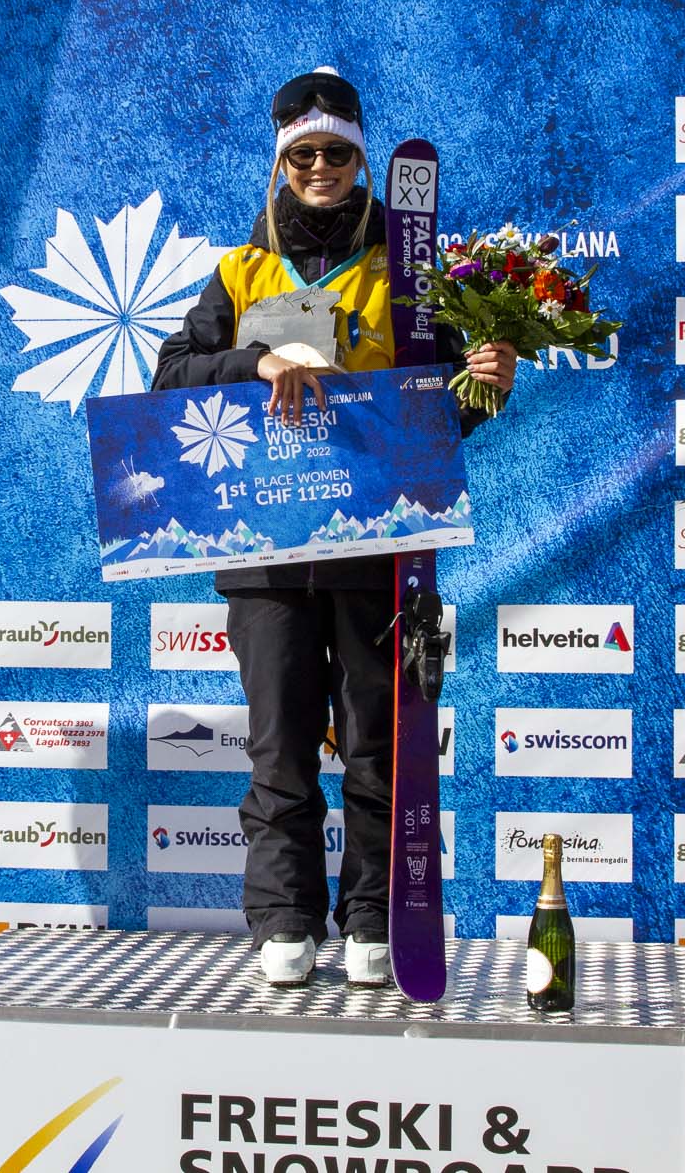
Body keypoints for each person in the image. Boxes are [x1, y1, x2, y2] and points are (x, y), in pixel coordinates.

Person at [153, 67, 516, 987]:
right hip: (267, 554)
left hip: (373, 548)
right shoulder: (239, 269)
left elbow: (437, 418)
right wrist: (253, 357)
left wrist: (481, 385)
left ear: (362, 159)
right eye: (303, 154)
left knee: (372, 740)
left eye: (338, 153)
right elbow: (169, 380)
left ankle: (368, 916)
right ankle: (283, 919)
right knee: (278, 746)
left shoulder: (409, 270)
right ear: (281, 165)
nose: (320, 167)